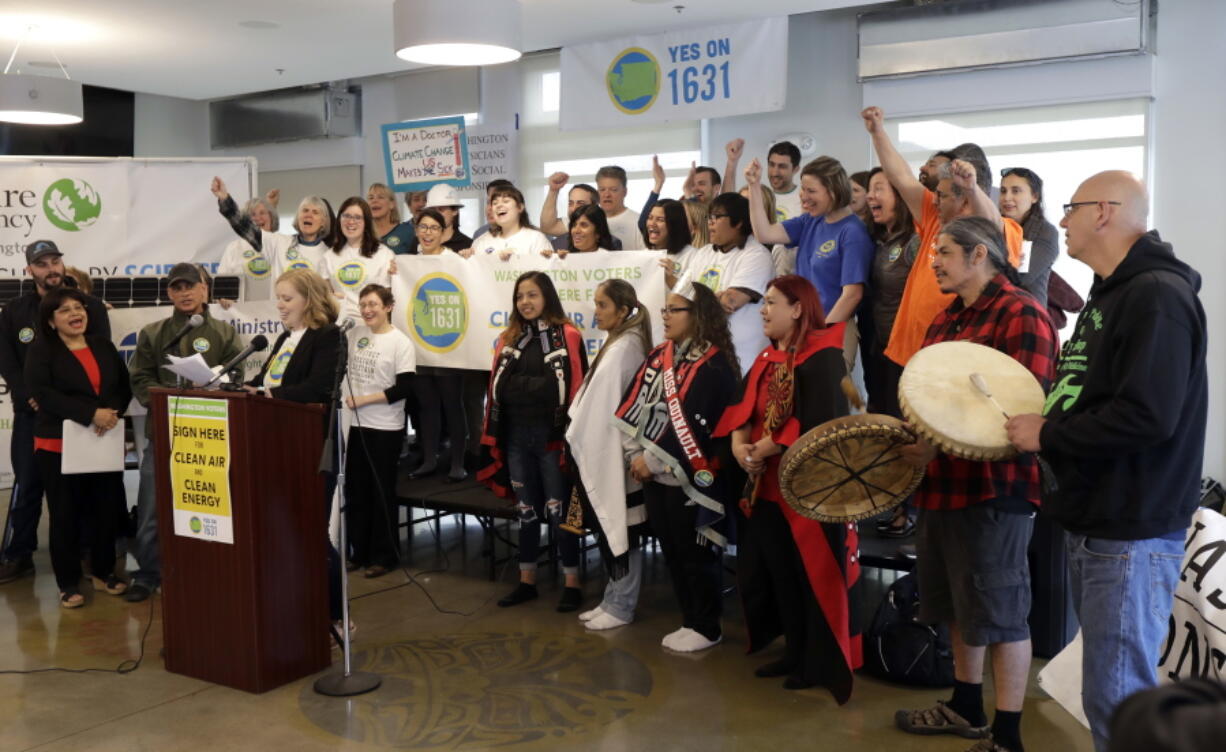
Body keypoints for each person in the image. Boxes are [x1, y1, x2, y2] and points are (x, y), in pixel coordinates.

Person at [1005, 172, 1207, 752]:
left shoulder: (1157, 297)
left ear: (1102, 212)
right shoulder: (1111, 292)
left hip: (1128, 526)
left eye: (1068, 209)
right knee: (1106, 693)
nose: (1060, 221)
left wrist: (1048, 432)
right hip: (1098, 519)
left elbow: (1148, 416)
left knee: (1118, 697)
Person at [893, 217, 1057, 752]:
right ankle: (965, 706)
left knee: (1002, 612)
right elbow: (941, 409)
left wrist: (945, 443)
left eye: (942, 251)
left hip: (995, 490)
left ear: (979, 254)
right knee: (958, 607)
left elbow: (1020, 416)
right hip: (943, 487)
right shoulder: (945, 321)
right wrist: (924, 446)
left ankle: (1008, 734)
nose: (933, 261)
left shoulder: (1022, 313)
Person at [716, 274, 862, 698]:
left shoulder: (824, 356)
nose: (763, 310)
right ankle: (793, 650)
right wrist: (740, 443)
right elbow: (743, 408)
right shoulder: (766, 356)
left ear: (798, 308)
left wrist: (769, 444)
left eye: (772, 303)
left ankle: (817, 661)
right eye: (763, 303)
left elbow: (824, 421)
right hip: (766, 487)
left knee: (810, 578)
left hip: (808, 493)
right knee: (779, 574)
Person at [614, 276, 739, 652]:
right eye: (664, 309)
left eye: (674, 310)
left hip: (691, 479)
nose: (666, 316)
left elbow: (701, 425)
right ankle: (690, 619)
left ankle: (706, 624)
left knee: (695, 554)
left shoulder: (714, 366)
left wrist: (652, 461)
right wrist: (635, 455)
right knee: (671, 549)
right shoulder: (658, 356)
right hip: (652, 475)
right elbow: (633, 406)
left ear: (697, 314)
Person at [860, 106, 1024, 368]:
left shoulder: (1004, 228)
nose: (933, 199)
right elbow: (900, 176)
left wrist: (971, 187)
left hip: (953, 356)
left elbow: (990, 225)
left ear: (965, 199)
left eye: (942, 194)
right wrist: (878, 132)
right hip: (909, 349)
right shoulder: (934, 217)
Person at [126, 262, 243, 603]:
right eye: (177, 287)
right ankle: (147, 573)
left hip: (210, 439)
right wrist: (161, 400)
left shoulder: (224, 333)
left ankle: (209, 568)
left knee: (211, 506)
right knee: (150, 506)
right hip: (162, 433)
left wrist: (214, 386)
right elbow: (140, 378)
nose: (185, 293)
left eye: (190, 286)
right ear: (169, 293)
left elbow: (236, 380)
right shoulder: (153, 333)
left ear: (205, 289)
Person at [0, 240, 111, 585]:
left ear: (63, 264)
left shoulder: (90, 307)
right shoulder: (14, 311)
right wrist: (30, 396)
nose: (51, 269)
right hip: (32, 415)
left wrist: (79, 407)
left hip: (79, 416)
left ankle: (88, 550)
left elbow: (102, 358)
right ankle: (20, 553)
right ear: (29, 270)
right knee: (29, 484)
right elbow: (7, 361)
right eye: (42, 264)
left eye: (55, 261)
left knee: (83, 487)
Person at [478, 271, 588, 612]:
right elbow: (499, 388)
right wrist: (532, 385)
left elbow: (574, 387)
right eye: (519, 296)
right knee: (526, 512)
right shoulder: (508, 337)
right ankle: (527, 581)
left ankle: (572, 583)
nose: (525, 302)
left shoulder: (568, 335)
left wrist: (523, 386)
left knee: (559, 511)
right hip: (515, 437)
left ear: (547, 298)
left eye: (532, 295)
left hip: (552, 440)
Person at [247, 269, 346, 629]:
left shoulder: (328, 336)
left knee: (311, 533)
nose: (280, 305)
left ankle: (335, 614)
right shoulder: (285, 338)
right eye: (279, 298)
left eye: (287, 298)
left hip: (313, 446)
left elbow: (319, 387)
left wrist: (268, 394)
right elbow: (265, 382)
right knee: (287, 532)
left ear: (309, 300)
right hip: (279, 448)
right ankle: (298, 607)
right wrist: (246, 388)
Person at [24, 287, 130, 608]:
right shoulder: (42, 350)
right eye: (65, 310)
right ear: (51, 321)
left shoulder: (102, 344)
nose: (75, 314)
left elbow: (121, 386)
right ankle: (68, 582)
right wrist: (89, 414)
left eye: (79, 307)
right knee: (65, 515)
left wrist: (109, 414)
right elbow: (43, 393)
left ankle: (102, 571)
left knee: (104, 510)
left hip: (102, 439)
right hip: (57, 444)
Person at [566, 280, 652, 631]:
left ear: (622, 309)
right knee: (610, 527)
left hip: (618, 454)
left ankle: (622, 604)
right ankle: (613, 598)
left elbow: (608, 408)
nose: (596, 312)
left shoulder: (625, 348)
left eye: (602, 305)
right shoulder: (618, 342)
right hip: (611, 450)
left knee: (622, 527)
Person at [746, 155, 872, 329]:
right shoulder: (810, 221)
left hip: (830, 328)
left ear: (834, 191)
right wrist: (754, 185)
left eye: (811, 191)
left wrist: (822, 335)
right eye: (803, 189)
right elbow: (764, 234)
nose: (804, 197)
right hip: (805, 325)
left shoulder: (852, 232)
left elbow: (852, 295)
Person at [342, 284, 415, 578]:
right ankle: (358, 552)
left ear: (388, 306)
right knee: (355, 490)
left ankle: (384, 556)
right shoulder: (353, 335)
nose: (367, 310)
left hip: (385, 428)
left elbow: (405, 388)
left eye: (373, 304)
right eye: (363, 305)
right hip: (355, 426)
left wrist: (365, 400)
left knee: (380, 491)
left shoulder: (400, 343)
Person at [864, 167, 921, 538]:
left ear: (899, 196)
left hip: (908, 352)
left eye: (879, 189)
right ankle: (892, 499)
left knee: (906, 429)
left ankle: (911, 508)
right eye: (869, 190)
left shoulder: (913, 241)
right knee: (883, 424)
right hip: (879, 349)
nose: (871, 197)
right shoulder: (880, 239)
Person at [407, 208, 471, 483]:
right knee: (426, 405)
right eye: (423, 227)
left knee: (452, 405)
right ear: (416, 230)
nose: (428, 233)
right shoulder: (409, 262)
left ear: (444, 232)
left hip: (449, 343)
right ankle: (430, 458)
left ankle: (458, 461)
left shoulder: (454, 260)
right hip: (420, 342)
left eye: (434, 228)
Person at [684, 192, 773, 376]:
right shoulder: (704, 253)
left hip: (743, 357)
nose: (710, 222)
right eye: (709, 217)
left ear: (738, 222)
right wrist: (715, 297)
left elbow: (729, 303)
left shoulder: (756, 255)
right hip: (704, 353)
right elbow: (681, 299)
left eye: (717, 217)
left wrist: (704, 301)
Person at [212, 177, 334, 284]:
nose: (309, 215)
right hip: (279, 310)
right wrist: (225, 199)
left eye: (315, 212)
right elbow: (245, 227)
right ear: (298, 217)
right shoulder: (279, 243)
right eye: (305, 210)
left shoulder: (329, 255)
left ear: (323, 221)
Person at [322, 197, 396, 325]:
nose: (351, 222)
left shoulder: (384, 254)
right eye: (346, 216)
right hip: (339, 328)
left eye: (357, 217)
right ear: (339, 220)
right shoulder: (328, 256)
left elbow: (387, 300)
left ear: (366, 222)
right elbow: (324, 299)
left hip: (372, 327)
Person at [998, 167, 1058, 306]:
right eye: (1003, 191)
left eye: (1016, 191)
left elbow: (1020, 277)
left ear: (1034, 197)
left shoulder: (1046, 232)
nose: (1007, 198)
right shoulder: (995, 227)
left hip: (1026, 316)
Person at [465, 185, 554, 260]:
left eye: (506, 201)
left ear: (520, 207)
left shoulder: (536, 239)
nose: (499, 205)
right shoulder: (482, 241)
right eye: (495, 203)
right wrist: (466, 259)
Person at [217, 195, 278, 301]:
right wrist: (225, 298)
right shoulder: (233, 248)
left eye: (262, 213)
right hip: (243, 313)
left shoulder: (283, 244)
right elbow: (222, 287)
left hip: (277, 312)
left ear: (272, 218)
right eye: (252, 214)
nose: (257, 218)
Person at [540, 175, 618, 251]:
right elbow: (547, 226)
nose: (574, 209)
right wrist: (553, 190)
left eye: (580, 203)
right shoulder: (560, 238)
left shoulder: (611, 241)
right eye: (570, 203)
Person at [739, 183, 794, 278]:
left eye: (751, 204)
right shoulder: (734, 244)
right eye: (739, 204)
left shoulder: (779, 248)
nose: (743, 209)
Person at [405, 184, 472, 254]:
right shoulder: (419, 240)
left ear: (455, 211)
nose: (436, 214)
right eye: (433, 209)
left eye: (441, 209)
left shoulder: (467, 245)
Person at [647, 198, 697, 288]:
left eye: (660, 220)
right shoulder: (643, 254)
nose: (652, 224)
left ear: (675, 225)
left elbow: (696, 296)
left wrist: (671, 277)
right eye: (650, 218)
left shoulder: (693, 255)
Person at [595, 165, 645, 250]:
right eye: (602, 189)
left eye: (613, 190)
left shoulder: (638, 222)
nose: (607, 195)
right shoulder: (589, 221)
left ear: (624, 192)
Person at [367, 182, 415, 253]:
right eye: (371, 198)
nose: (374, 201)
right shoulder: (361, 233)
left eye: (380, 197)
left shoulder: (408, 232)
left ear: (392, 204)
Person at [767, 141, 803, 221]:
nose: (775, 172)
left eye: (782, 167)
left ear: (795, 169)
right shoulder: (760, 197)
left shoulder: (804, 199)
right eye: (771, 165)